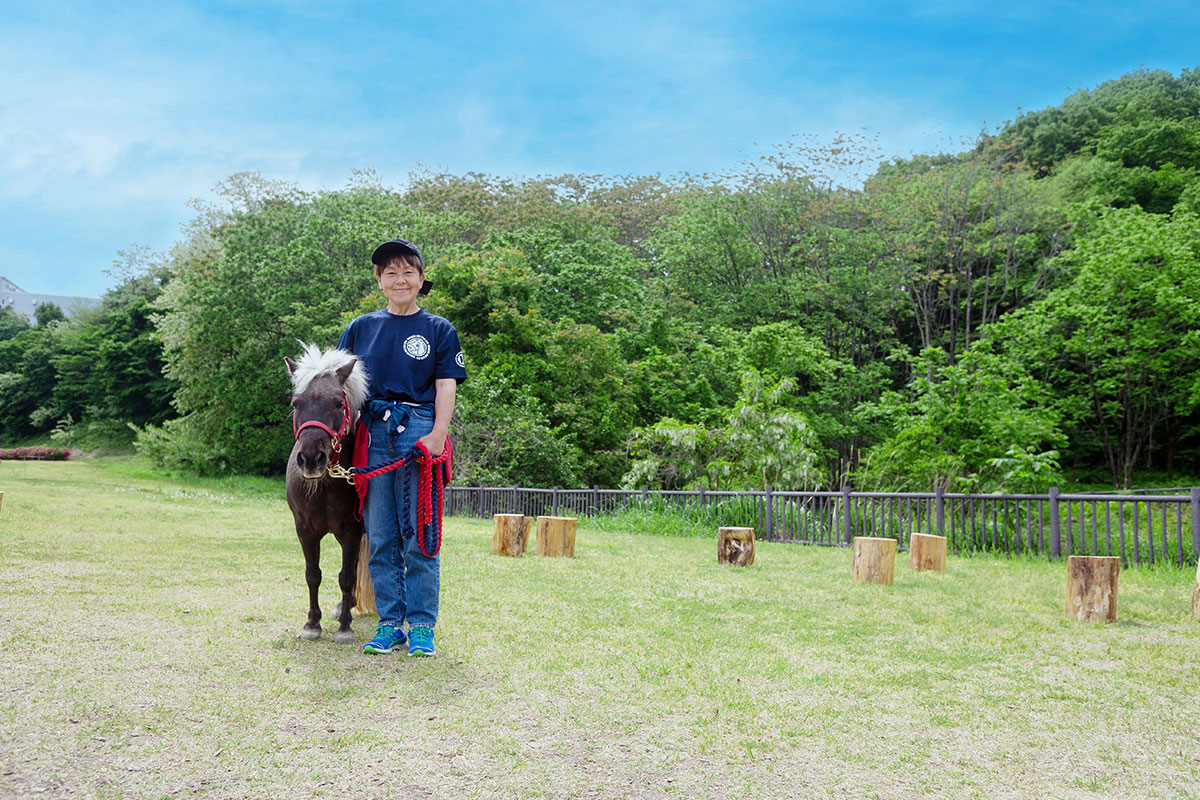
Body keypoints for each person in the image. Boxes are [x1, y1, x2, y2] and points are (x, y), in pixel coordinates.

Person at [337, 238, 466, 656]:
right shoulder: (360, 328)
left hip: (419, 432)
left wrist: (437, 435)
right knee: (381, 534)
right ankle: (390, 624)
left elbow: (446, 386)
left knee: (421, 534)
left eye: (408, 271)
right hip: (373, 436)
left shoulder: (439, 330)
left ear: (421, 279)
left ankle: (423, 625)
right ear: (379, 280)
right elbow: (339, 386)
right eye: (390, 272)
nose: (400, 279)